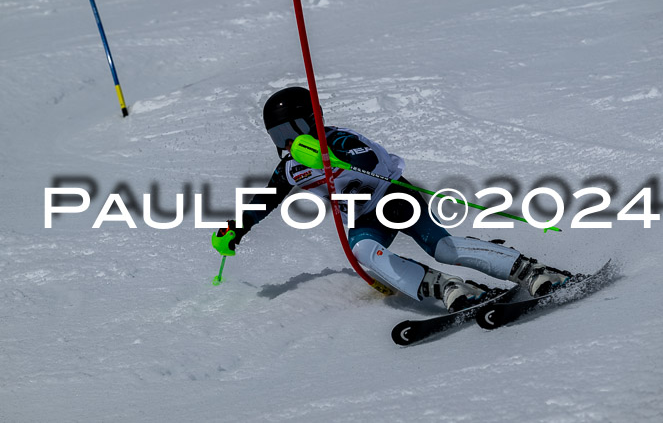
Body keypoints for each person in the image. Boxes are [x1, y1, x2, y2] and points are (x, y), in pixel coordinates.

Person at [212, 86, 573, 312]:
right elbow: (265, 200)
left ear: (312, 121)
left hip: (395, 196)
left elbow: (368, 159)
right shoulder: (291, 168)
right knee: (364, 252)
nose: (289, 141)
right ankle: (446, 286)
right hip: (365, 218)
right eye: (279, 133)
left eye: (295, 129)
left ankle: (533, 271)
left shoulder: (337, 139)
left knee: (443, 248)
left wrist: (331, 158)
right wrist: (235, 229)